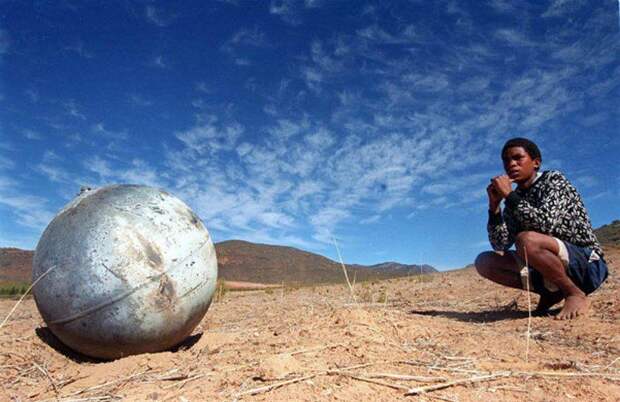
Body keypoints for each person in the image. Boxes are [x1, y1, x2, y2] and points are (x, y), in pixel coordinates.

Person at [475, 137, 608, 320]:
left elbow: (545, 224)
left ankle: (574, 293)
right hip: (548, 266)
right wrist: (494, 207)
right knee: (485, 261)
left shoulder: (554, 180)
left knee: (526, 240)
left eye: (517, 158)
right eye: (506, 161)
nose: (511, 164)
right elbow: (500, 244)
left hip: (587, 265)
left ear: (536, 162)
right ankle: (552, 293)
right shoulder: (515, 198)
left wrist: (509, 195)